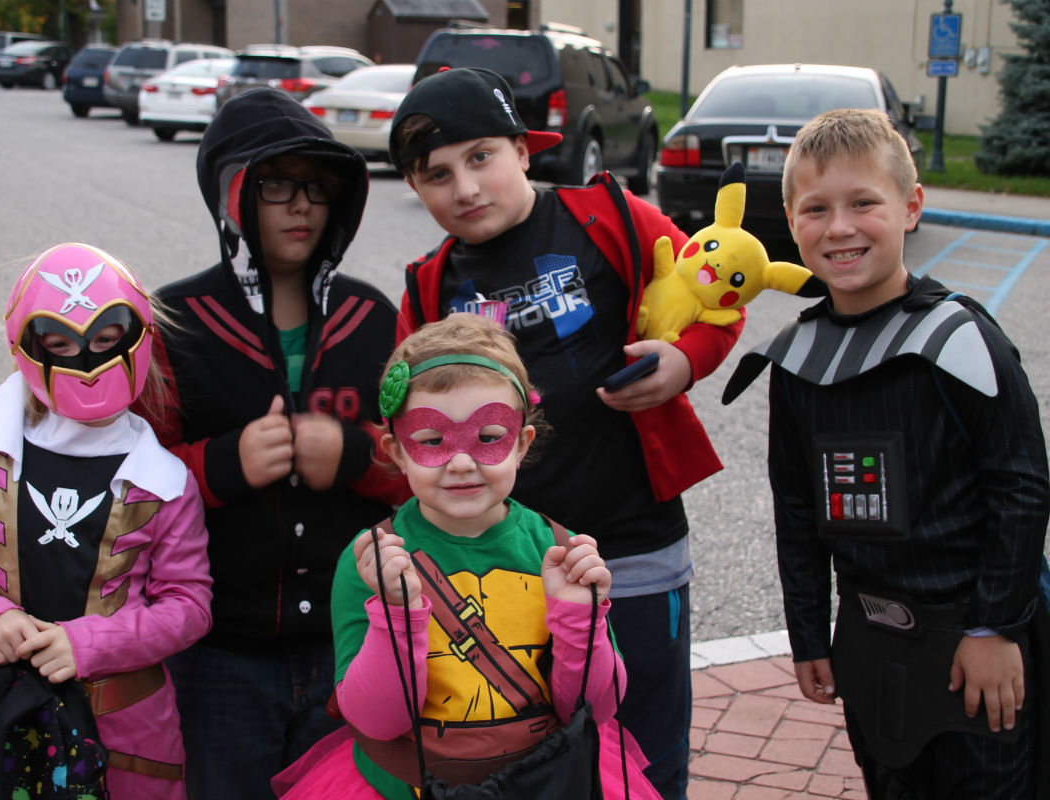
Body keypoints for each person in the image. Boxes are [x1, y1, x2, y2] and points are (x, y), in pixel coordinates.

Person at [385, 66, 745, 799]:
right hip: (510, 558)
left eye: (481, 157)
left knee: (647, 750)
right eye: (437, 175)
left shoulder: (608, 215)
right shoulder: (429, 283)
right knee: (531, 752)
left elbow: (717, 292)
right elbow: (406, 422)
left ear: (524, 149)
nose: (464, 188)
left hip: (636, 540)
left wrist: (686, 360)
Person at [722, 108, 1050, 798]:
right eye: (816, 209)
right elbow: (797, 504)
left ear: (911, 207)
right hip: (870, 643)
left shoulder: (959, 340)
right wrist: (809, 633)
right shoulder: (799, 359)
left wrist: (996, 627)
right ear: (790, 219)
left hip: (976, 640)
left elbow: (1021, 486)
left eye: (863, 202)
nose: (839, 227)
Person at [134, 88, 410, 799]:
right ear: (231, 194)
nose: (300, 206)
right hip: (218, 652)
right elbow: (127, 489)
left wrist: (354, 455)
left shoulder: (371, 318)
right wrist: (221, 465)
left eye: (318, 187)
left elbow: (426, 464)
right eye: (276, 184)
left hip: (351, 642)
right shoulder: (176, 324)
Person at [273, 312, 662, 799]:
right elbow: (376, 719)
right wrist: (395, 613)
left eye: (489, 438)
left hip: (541, 784)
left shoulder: (559, 552)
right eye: (432, 441)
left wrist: (582, 619)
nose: (461, 462)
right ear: (397, 452)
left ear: (521, 444)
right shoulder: (373, 561)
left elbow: (595, 707)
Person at [0, 242, 214, 799]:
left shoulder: (164, 481)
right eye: (60, 344)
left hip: (131, 731)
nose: (85, 361)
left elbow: (188, 606)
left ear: (134, 337)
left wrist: (89, 644)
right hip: (10, 716)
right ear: (28, 346)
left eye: (103, 341)